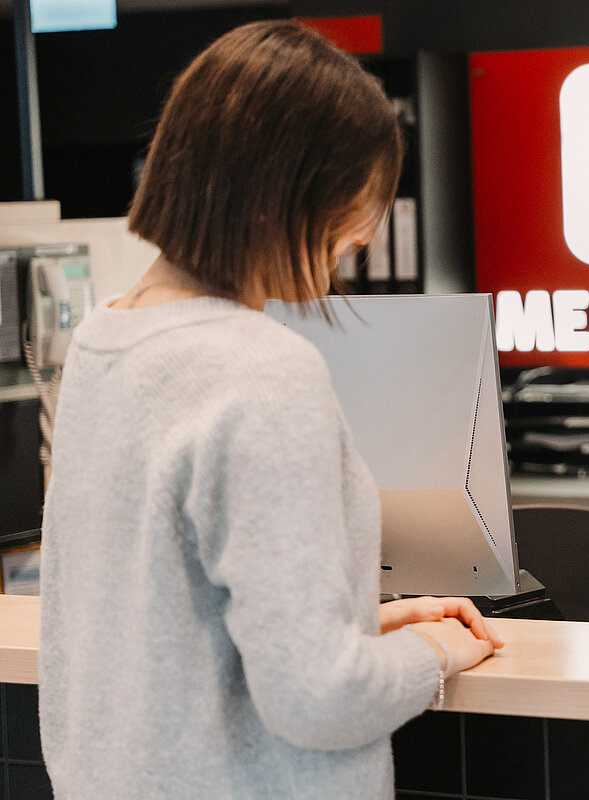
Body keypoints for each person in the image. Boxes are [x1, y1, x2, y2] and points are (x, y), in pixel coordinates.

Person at [38, 20, 502, 799]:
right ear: (295, 192)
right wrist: (436, 653)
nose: (359, 240)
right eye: (359, 206)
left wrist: (354, 626)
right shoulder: (262, 373)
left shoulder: (101, 342)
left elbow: (144, 632)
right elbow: (323, 701)